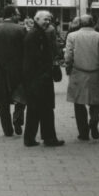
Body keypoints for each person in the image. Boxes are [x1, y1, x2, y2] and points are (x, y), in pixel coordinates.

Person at [22, 10, 64, 147]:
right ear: (37, 19)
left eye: (49, 19)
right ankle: (47, 138)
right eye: (45, 19)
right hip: (39, 78)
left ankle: (35, 138)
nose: (47, 22)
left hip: (37, 77)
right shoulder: (36, 35)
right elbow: (36, 58)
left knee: (38, 109)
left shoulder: (37, 33)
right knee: (43, 108)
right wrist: (45, 73)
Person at [64, 14, 99, 141]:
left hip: (78, 73)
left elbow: (68, 55)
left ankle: (83, 132)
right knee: (95, 101)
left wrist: (68, 65)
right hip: (96, 73)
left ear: (80, 24)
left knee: (78, 103)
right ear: (93, 22)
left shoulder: (72, 36)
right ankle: (94, 120)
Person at [0, 4, 27, 137]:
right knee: (21, 97)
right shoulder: (21, 30)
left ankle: (7, 130)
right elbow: (26, 51)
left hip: (0, 70)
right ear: (13, 15)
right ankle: (18, 118)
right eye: (18, 14)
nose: (19, 16)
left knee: (3, 102)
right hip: (18, 70)